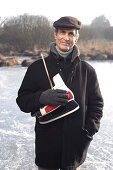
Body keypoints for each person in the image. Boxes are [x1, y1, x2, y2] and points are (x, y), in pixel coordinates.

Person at [16, 16, 104, 170]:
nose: (66, 38)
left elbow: (97, 105)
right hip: (46, 147)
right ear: (55, 34)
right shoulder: (37, 68)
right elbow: (22, 101)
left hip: (75, 149)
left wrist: (88, 132)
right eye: (62, 33)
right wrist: (42, 97)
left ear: (77, 37)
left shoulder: (87, 71)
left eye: (71, 34)